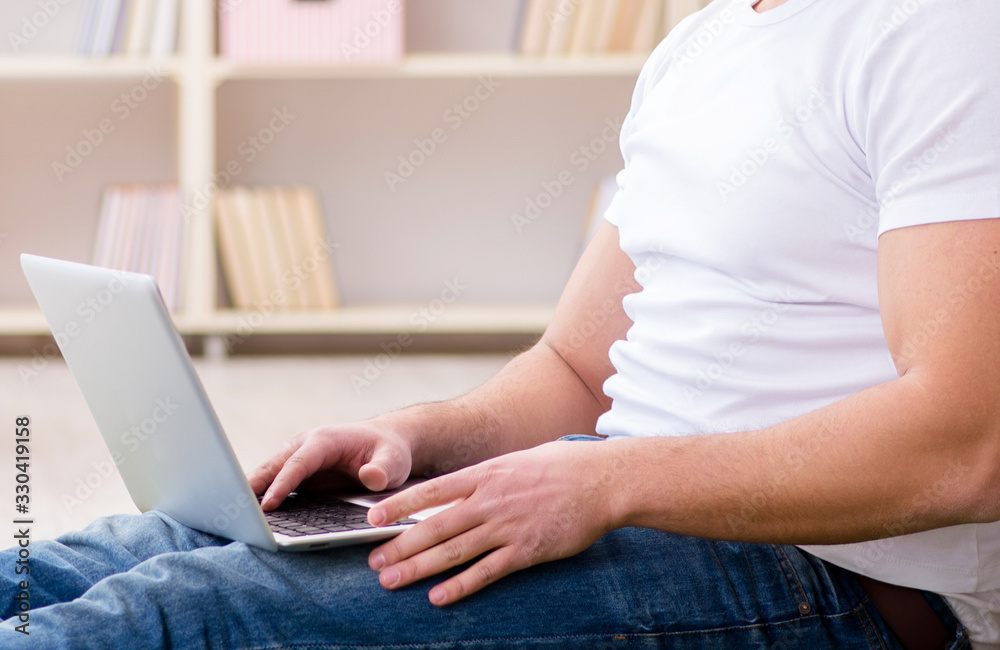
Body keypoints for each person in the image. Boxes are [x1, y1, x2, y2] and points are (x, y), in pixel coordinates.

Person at [4, 0, 999, 647]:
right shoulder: (699, 48)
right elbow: (576, 364)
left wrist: (606, 477)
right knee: (100, 560)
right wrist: (417, 435)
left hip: (833, 583)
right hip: (616, 488)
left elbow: (968, 442)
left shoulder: (944, 33)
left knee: (173, 618)